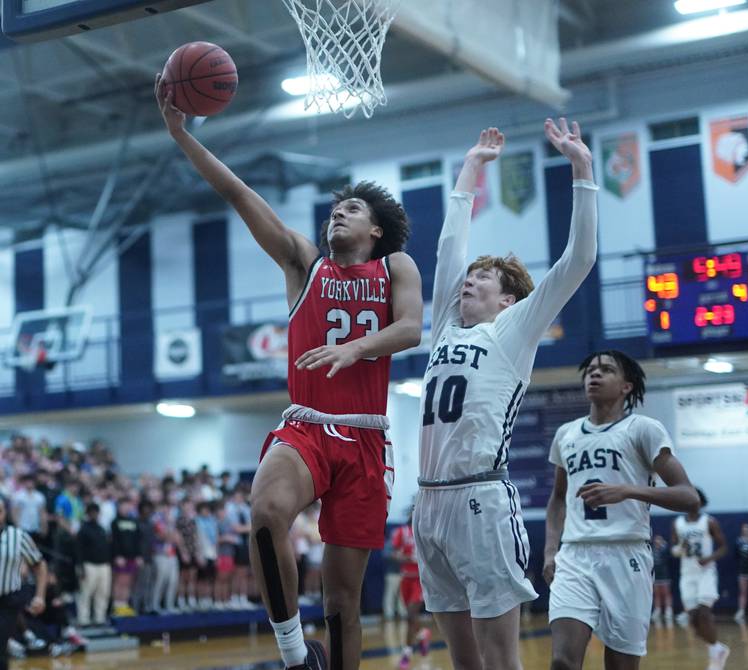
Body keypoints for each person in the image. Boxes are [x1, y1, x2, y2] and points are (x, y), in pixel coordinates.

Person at [156, 71, 422, 670]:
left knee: (344, 605)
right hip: (306, 425)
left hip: (365, 439)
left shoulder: (395, 267)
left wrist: (358, 348)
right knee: (266, 512)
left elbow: (410, 329)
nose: (338, 216)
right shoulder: (305, 263)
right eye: (333, 209)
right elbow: (239, 195)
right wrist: (183, 135)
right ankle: (295, 655)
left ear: (375, 229)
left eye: (351, 209)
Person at [412, 121, 596, 670]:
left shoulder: (514, 330)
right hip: (427, 503)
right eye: (470, 276)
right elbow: (450, 246)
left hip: (480, 500)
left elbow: (578, 260)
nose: (469, 280)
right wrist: (471, 168)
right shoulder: (448, 327)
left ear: (509, 299)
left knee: (500, 661)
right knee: (464, 663)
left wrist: (581, 169)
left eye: (484, 277)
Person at [544, 350, 699, 670]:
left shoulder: (644, 429)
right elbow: (558, 498)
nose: (594, 375)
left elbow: (689, 497)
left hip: (626, 554)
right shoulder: (566, 434)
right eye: (590, 370)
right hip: (575, 556)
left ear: (626, 386)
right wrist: (550, 552)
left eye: (606, 370)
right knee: (562, 661)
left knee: (621, 666)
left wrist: (627, 490)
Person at [672, 488, 730, 669]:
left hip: (705, 572)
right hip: (687, 573)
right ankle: (718, 648)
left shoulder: (709, 522)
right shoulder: (677, 523)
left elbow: (723, 547)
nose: (691, 503)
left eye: (695, 500)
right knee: (693, 621)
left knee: (704, 614)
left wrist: (710, 558)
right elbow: (674, 550)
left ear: (701, 502)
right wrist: (681, 547)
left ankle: (715, 655)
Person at [0, 497, 47, 670]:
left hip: (7, 600)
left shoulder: (17, 536)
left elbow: (39, 564)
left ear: (5, 513)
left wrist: (40, 597)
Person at [390, 512, 430, 669]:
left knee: (410, 615)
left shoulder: (426, 531)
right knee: (412, 618)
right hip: (405, 578)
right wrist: (403, 558)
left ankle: (406, 654)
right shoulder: (401, 531)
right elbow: (392, 554)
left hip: (420, 579)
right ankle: (422, 635)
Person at [75, 502, 113, 626]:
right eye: (92, 512)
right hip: (88, 565)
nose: (94, 514)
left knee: (103, 593)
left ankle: (99, 618)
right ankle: (83, 619)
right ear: (88, 514)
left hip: (104, 565)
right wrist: (80, 567)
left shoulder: (102, 529)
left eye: (96, 512)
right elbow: (78, 550)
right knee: (86, 592)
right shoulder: (83, 530)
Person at [651, 534, 673, 625]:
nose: (657, 541)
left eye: (659, 540)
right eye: (656, 540)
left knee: (666, 593)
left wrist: (665, 545)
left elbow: (669, 555)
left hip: (664, 574)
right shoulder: (651, 549)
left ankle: (668, 611)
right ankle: (658, 610)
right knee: (657, 594)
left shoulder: (665, 550)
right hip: (655, 574)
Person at [733, 522, 748, 624]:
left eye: (747, 528)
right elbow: (736, 555)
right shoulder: (738, 541)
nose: (746, 529)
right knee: (743, 592)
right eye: (744, 528)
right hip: (743, 571)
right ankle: (741, 611)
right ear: (742, 530)